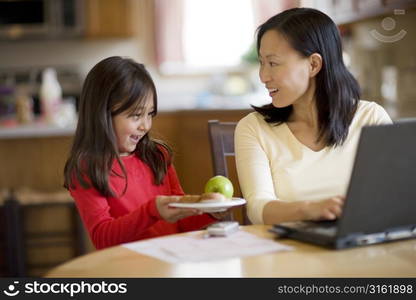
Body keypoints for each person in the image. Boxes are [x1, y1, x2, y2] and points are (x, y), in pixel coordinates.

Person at [235, 8, 392, 225]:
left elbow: (393, 196)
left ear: (313, 64)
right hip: (285, 254)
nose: (263, 76)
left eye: (272, 63)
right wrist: (311, 209)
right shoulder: (253, 128)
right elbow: (257, 208)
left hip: (360, 248)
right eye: (261, 63)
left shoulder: (370, 117)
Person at [64, 56, 219, 249]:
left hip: (172, 259)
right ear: (102, 114)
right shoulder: (87, 169)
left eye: (150, 114)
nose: (145, 125)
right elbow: (102, 237)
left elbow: (180, 221)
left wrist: (209, 210)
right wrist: (152, 211)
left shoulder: (157, 156)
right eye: (136, 115)